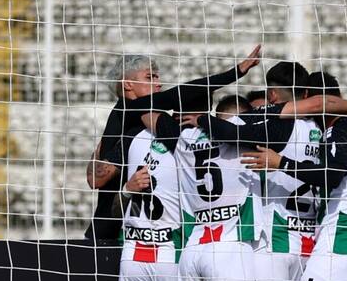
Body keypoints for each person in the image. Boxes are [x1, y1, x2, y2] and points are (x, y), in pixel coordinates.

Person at [181, 62, 347, 281]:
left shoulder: (272, 124)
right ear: (307, 95)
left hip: (275, 242)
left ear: (273, 95)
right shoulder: (326, 130)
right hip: (311, 243)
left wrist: (205, 120)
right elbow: (343, 107)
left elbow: (231, 130)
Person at [243, 72, 347, 281]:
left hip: (342, 238)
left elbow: (331, 174)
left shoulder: (340, 128)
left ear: (310, 98)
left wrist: (281, 163)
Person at [85, 46, 262, 240]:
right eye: (150, 77)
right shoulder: (132, 111)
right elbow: (96, 179)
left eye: (157, 77)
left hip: (134, 231)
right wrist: (236, 72)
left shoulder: (127, 114)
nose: (158, 83)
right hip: (111, 232)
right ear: (128, 84)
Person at [143, 93, 262, 281]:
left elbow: (141, 109)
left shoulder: (182, 136)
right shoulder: (246, 131)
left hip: (193, 249)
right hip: (231, 248)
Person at [114, 118, 182, 281]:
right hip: (134, 251)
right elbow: (113, 210)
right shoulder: (135, 138)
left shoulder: (182, 140)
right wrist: (127, 189)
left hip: (172, 252)